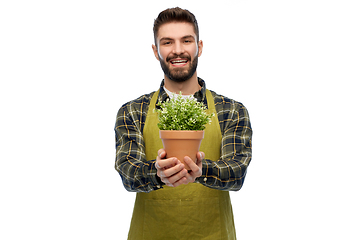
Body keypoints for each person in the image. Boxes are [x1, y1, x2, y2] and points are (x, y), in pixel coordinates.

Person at [114, 7, 252, 240]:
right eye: (167, 42)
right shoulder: (133, 111)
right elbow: (128, 172)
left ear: (198, 47)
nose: (177, 50)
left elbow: (237, 173)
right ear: (156, 51)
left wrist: (200, 171)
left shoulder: (231, 110)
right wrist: (158, 174)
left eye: (186, 41)